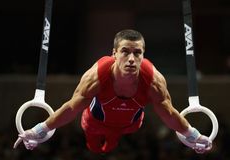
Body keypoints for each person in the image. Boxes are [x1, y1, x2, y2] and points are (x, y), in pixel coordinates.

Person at [13, 29, 212, 154]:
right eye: (125, 51)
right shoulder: (97, 76)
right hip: (95, 123)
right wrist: (39, 131)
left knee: (112, 145)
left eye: (137, 52)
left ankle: (112, 140)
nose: (131, 58)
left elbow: (168, 114)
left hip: (131, 125)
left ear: (143, 55)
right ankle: (98, 144)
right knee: (95, 148)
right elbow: (71, 109)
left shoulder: (153, 81)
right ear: (114, 53)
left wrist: (194, 136)